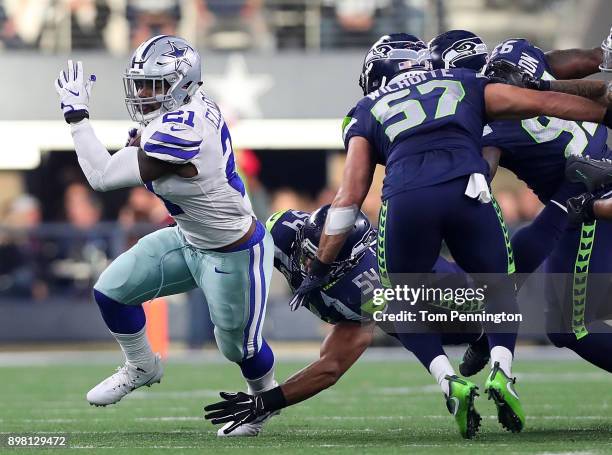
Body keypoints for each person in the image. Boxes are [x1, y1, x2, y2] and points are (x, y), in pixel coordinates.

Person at [290, 33, 612, 438]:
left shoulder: (376, 107)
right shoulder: (504, 67)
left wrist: (320, 264)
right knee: (503, 282)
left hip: (586, 202)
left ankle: (447, 376)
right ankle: (499, 363)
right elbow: (576, 75)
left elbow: (349, 195)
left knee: (402, 297)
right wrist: (598, 106)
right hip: (576, 184)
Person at [54, 35, 278, 437]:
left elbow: (102, 177)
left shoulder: (184, 129)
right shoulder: (180, 114)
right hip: (188, 237)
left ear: (183, 84)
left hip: (233, 251)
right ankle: (141, 365)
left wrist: (77, 119)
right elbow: (142, 158)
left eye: (153, 85)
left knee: (238, 348)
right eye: (139, 83)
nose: (142, 93)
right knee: (111, 290)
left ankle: (264, 399)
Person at [205, 205, 483, 435]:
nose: (308, 266)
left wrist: (266, 401)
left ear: (350, 261)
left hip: (430, 283)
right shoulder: (283, 230)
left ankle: (481, 342)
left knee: (460, 323)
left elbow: (332, 366)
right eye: (309, 254)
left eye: (322, 261)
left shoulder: (366, 285)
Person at [429, 30, 612, 377]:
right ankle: (486, 334)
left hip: (590, 200)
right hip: (593, 176)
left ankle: (485, 331)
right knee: (517, 257)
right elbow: (567, 60)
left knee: (569, 328)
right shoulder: (517, 53)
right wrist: (598, 56)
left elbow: (483, 169)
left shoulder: (485, 115)